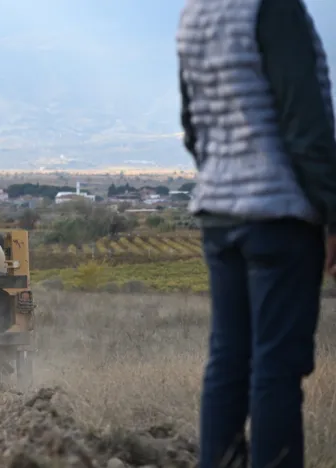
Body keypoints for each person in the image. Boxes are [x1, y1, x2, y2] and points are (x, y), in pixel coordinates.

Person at [176, 0, 336, 466]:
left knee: (227, 361)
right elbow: (304, 121)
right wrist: (331, 209)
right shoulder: (273, 7)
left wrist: (223, 176)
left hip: (218, 214)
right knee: (277, 369)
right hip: (278, 214)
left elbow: (193, 125)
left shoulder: (195, 13)